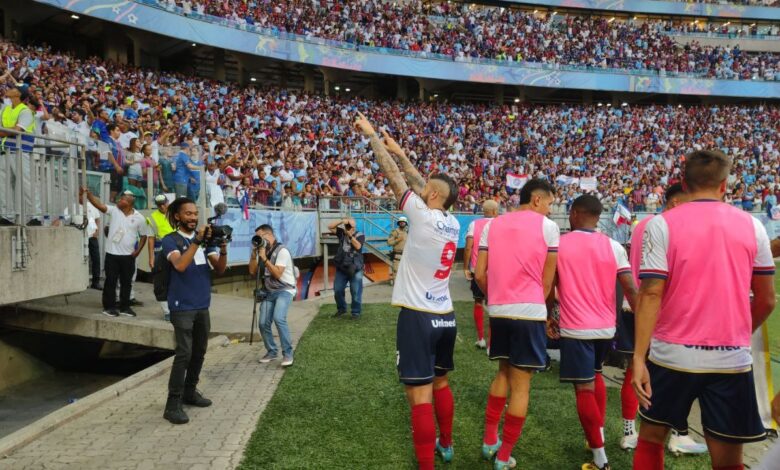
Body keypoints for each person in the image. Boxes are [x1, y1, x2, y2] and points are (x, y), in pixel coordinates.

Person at [632, 150, 776, 469]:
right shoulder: (753, 226)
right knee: (729, 460)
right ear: (724, 185)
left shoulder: (661, 224)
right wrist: (737, 335)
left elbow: (651, 292)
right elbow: (767, 300)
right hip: (731, 359)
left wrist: (639, 357)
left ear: (684, 183)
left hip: (671, 355)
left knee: (651, 439)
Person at [355, 113, 460, 469]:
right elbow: (423, 186)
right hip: (446, 316)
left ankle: (427, 463)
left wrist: (373, 137)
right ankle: (447, 444)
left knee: (419, 395)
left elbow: (396, 180)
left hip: (418, 317)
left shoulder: (420, 215)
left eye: (426, 189)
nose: (421, 189)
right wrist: (401, 152)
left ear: (432, 195)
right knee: (441, 384)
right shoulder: (451, 221)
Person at [475, 178, 559, 470]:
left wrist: (496, 298)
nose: (550, 209)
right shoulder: (548, 227)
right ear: (537, 199)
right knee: (521, 387)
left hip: (499, 310)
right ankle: (503, 456)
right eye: (549, 203)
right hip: (529, 311)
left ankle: (489, 440)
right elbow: (547, 281)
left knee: (502, 373)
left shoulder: (492, 225)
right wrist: (541, 310)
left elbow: (479, 274)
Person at [618, 183, 708, 454]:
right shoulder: (669, 226)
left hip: (635, 305)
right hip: (661, 311)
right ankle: (677, 433)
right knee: (676, 373)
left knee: (636, 370)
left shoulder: (643, 225)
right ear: (677, 203)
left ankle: (630, 431)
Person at [553, 195, 637, 470]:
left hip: (577, 328)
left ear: (575, 213)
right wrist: (644, 323)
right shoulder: (614, 246)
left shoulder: (560, 244)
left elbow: (549, 284)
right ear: (598, 216)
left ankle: (600, 457)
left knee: (584, 388)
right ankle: (596, 434)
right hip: (606, 328)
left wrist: (547, 315)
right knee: (596, 374)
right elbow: (630, 288)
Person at [161, 197, 228, 425]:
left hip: (202, 305)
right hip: (181, 306)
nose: (193, 217)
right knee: (184, 354)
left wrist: (223, 249)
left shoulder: (204, 241)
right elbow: (180, 265)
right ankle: (172, 405)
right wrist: (197, 241)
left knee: (199, 352)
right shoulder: (170, 240)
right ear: (177, 216)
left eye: (195, 213)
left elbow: (220, 269)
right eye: (188, 214)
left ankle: (189, 392)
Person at [81, 188, 147, 317]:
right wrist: (89, 195)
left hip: (128, 256)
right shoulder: (114, 210)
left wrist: (137, 251)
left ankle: (125, 307)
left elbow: (144, 235)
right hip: (112, 255)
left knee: (126, 283)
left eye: (122, 199)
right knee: (110, 282)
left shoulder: (139, 218)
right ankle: (109, 307)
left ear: (129, 203)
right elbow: (99, 205)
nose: (119, 201)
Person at [248, 225, 297, 367]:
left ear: (269, 235)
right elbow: (252, 271)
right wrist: (254, 255)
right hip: (269, 291)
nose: (258, 240)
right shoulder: (262, 250)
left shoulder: (282, 251)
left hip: (285, 289)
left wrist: (264, 258)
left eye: (260, 237)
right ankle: (272, 351)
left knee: (279, 318)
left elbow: (277, 274)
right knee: (263, 323)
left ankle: (288, 353)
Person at [463, 199, 499, 349]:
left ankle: (481, 339)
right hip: (496, 271)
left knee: (478, 302)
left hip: (477, 269)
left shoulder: (474, 224)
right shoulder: (500, 224)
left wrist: (465, 267)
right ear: (495, 211)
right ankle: (491, 345)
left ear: (483, 210)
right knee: (494, 305)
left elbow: (468, 247)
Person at [0, 86, 36, 224]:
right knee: (4, 185)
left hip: (21, 151)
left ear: (19, 94)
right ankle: (6, 216)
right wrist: (7, 130)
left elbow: (16, 130)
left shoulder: (26, 111)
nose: (10, 89)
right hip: (5, 150)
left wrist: (5, 130)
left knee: (26, 183)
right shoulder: (5, 109)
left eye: (14, 88)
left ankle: (34, 216)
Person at [328, 217, 365, 319]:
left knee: (355, 291)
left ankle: (355, 312)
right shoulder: (341, 233)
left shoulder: (360, 235)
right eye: (347, 225)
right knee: (338, 290)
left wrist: (350, 235)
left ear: (354, 226)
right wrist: (341, 221)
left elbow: (358, 246)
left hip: (355, 267)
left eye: (351, 226)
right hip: (342, 266)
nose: (349, 227)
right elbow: (330, 227)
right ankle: (341, 309)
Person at [147, 194, 175, 321]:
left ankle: (176, 308)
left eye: (164, 203)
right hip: (161, 253)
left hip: (176, 251)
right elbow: (151, 239)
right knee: (161, 282)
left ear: (168, 202)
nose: (163, 206)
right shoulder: (152, 218)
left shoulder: (176, 214)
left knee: (176, 281)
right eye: (159, 205)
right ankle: (167, 311)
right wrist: (151, 257)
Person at [386, 216, 408, 286]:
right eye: (400, 222)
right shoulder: (395, 232)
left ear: (406, 223)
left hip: (406, 255)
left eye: (403, 222)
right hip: (398, 255)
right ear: (398, 223)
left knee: (405, 272)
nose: (402, 223)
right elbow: (389, 243)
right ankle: (396, 287)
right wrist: (397, 240)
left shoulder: (408, 232)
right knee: (396, 272)